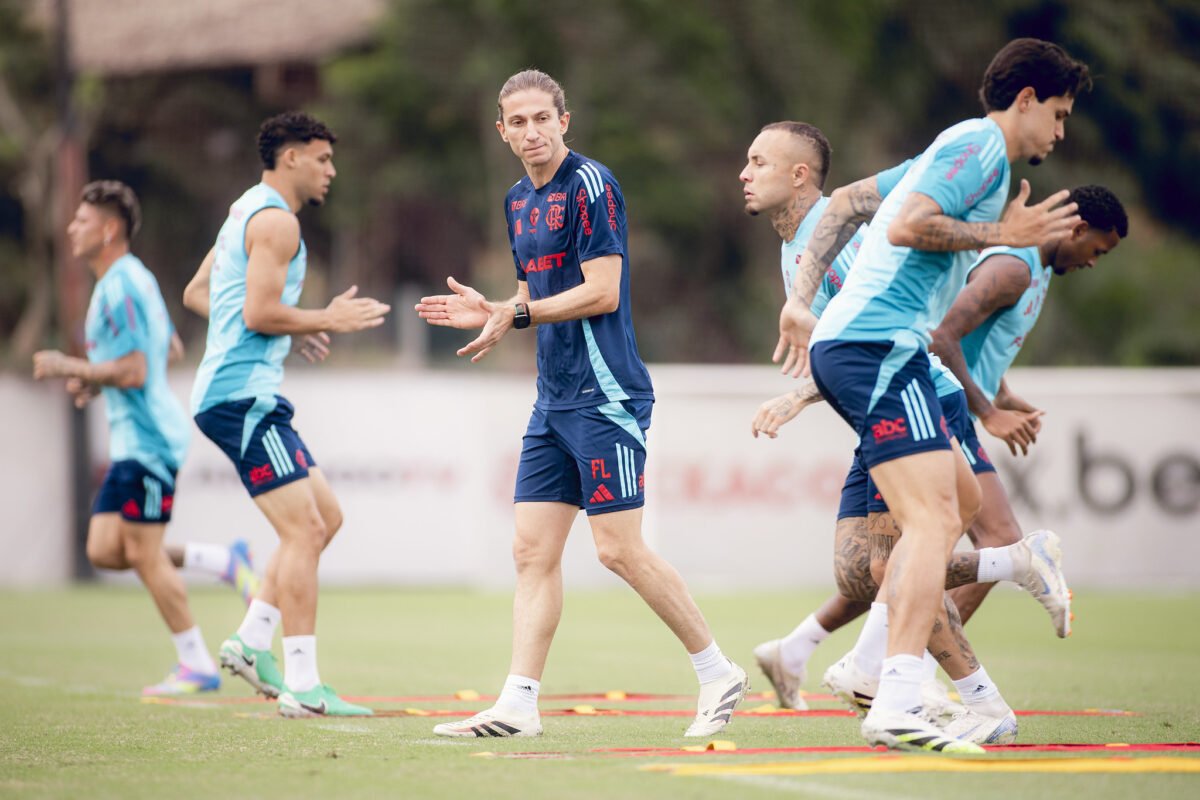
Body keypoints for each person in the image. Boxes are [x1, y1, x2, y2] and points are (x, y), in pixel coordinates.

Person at [774, 38, 1091, 752]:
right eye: (1060, 114)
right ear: (1027, 100)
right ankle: (895, 695)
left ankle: (1009, 575)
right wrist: (998, 233)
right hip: (878, 345)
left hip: (881, 348)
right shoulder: (978, 146)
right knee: (932, 520)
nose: (1060, 133)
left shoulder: (961, 151)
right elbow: (905, 224)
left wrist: (801, 299)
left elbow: (851, 202)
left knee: (965, 507)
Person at [415, 69, 748, 739]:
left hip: (607, 395)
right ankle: (518, 703)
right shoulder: (515, 200)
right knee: (530, 553)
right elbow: (528, 291)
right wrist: (495, 311)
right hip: (553, 398)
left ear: (564, 121)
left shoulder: (593, 185)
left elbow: (602, 290)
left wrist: (518, 311)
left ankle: (717, 671)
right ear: (501, 129)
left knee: (619, 551)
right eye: (519, 121)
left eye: (544, 118)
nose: (532, 131)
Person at [183, 111, 390, 718]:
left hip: (244, 390)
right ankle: (301, 685)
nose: (331, 170)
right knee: (303, 531)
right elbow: (254, 313)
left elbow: (204, 293)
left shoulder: (246, 210)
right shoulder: (277, 223)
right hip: (241, 397)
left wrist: (283, 328)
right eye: (323, 158)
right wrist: (321, 318)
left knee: (325, 517)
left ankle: (249, 644)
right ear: (292, 156)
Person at [33, 180, 257, 696]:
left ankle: (196, 664)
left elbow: (137, 370)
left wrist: (75, 366)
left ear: (109, 229)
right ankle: (225, 563)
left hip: (150, 440)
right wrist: (95, 378)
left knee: (143, 551)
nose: (72, 227)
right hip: (134, 439)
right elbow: (169, 348)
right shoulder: (124, 280)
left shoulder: (122, 284)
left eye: (82, 221)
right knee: (106, 549)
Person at [930, 184, 1128, 624]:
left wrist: (1000, 393)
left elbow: (978, 338)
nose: (1092, 262)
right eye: (1098, 250)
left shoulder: (1034, 267)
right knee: (999, 540)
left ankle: (801, 649)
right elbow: (941, 337)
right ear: (1078, 229)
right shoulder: (1013, 266)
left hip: (950, 407)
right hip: (939, 408)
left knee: (901, 551)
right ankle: (911, 666)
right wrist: (988, 411)